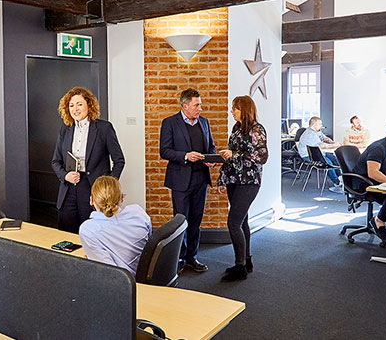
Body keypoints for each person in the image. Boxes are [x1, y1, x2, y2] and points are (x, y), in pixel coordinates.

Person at [159, 88, 218, 273]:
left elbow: (211, 147)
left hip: (201, 179)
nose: (200, 108)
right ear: (185, 106)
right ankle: (179, 259)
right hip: (180, 180)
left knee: (195, 221)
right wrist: (186, 156)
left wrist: (212, 159)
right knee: (180, 221)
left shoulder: (204, 122)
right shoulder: (169, 123)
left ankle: (192, 258)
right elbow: (164, 151)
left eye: (200, 105)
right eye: (196, 105)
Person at [51, 87, 124, 233]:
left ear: (89, 105)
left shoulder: (104, 128)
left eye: (79, 104)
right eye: (71, 105)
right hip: (69, 186)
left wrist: (107, 186)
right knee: (66, 229)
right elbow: (56, 161)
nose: (75, 109)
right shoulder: (65, 129)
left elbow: (119, 161)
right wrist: (65, 176)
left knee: (92, 230)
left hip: (93, 187)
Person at [216, 95, 267, 282]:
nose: (232, 111)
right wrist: (222, 179)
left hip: (249, 182)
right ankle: (246, 261)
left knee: (233, 223)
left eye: (235, 108)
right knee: (242, 221)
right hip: (234, 181)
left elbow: (262, 156)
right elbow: (230, 156)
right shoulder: (236, 128)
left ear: (245, 110)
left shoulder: (257, 129)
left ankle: (240, 268)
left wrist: (235, 154)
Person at [78, 176, 152, 275]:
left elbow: (108, 273)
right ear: (122, 198)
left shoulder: (88, 230)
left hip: (122, 281)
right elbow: (150, 243)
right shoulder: (138, 212)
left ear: (92, 200)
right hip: (145, 274)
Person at [298, 116, 342, 192]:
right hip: (308, 155)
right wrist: (334, 145)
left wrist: (332, 142)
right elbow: (321, 145)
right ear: (314, 125)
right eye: (320, 124)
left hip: (318, 152)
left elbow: (325, 138)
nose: (321, 126)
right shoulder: (309, 134)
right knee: (328, 162)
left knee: (336, 158)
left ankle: (341, 177)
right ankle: (337, 182)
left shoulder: (317, 131)